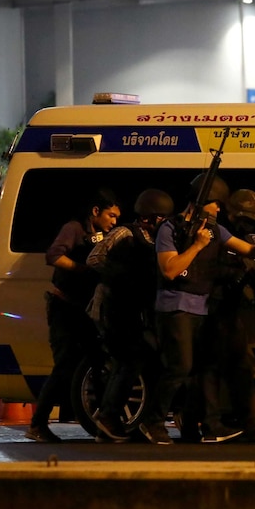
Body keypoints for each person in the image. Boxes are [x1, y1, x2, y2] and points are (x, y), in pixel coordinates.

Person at [139, 175, 255, 445]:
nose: (219, 210)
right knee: (180, 367)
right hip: (175, 307)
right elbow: (169, 270)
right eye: (216, 204)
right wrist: (198, 245)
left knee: (199, 371)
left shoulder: (214, 229)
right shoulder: (171, 228)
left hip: (200, 309)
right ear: (202, 202)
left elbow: (248, 249)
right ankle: (152, 422)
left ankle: (201, 427)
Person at [25, 188, 121, 443]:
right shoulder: (74, 228)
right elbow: (53, 255)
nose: (114, 222)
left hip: (82, 308)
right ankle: (38, 424)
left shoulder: (100, 234)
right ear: (95, 211)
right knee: (65, 365)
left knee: (98, 359)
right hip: (64, 307)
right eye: (111, 216)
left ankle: (105, 422)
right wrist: (82, 270)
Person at [85, 188, 175, 443]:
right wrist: (124, 277)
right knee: (128, 360)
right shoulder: (125, 233)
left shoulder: (154, 239)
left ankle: (110, 421)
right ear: (151, 216)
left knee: (135, 360)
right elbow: (95, 259)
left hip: (134, 310)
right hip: (114, 307)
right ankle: (108, 416)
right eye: (161, 218)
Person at [202, 189, 255, 442]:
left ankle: (246, 424)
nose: (248, 225)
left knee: (235, 368)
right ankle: (218, 425)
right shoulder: (216, 234)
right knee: (213, 368)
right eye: (245, 219)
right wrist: (232, 274)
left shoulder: (236, 238)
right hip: (213, 309)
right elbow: (205, 269)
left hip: (230, 310)